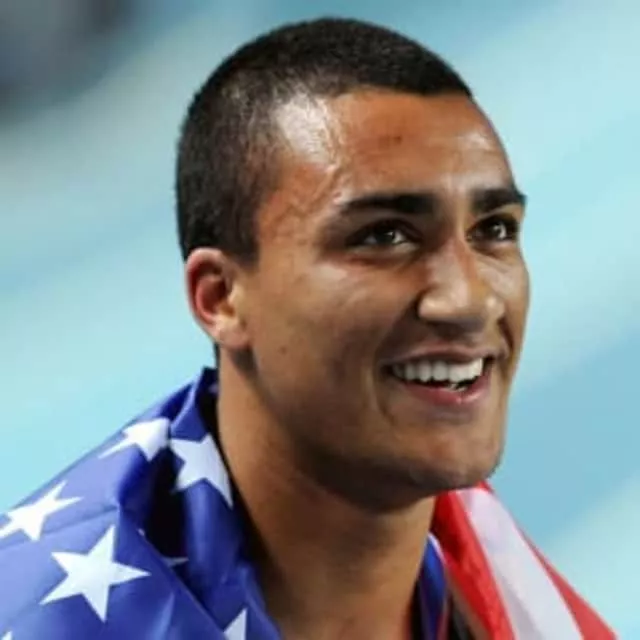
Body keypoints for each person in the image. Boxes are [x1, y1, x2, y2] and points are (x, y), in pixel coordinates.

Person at [0, 17, 614, 640]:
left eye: (494, 230)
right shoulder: (44, 622)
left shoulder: (506, 597)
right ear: (221, 297)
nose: (469, 299)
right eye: (385, 236)